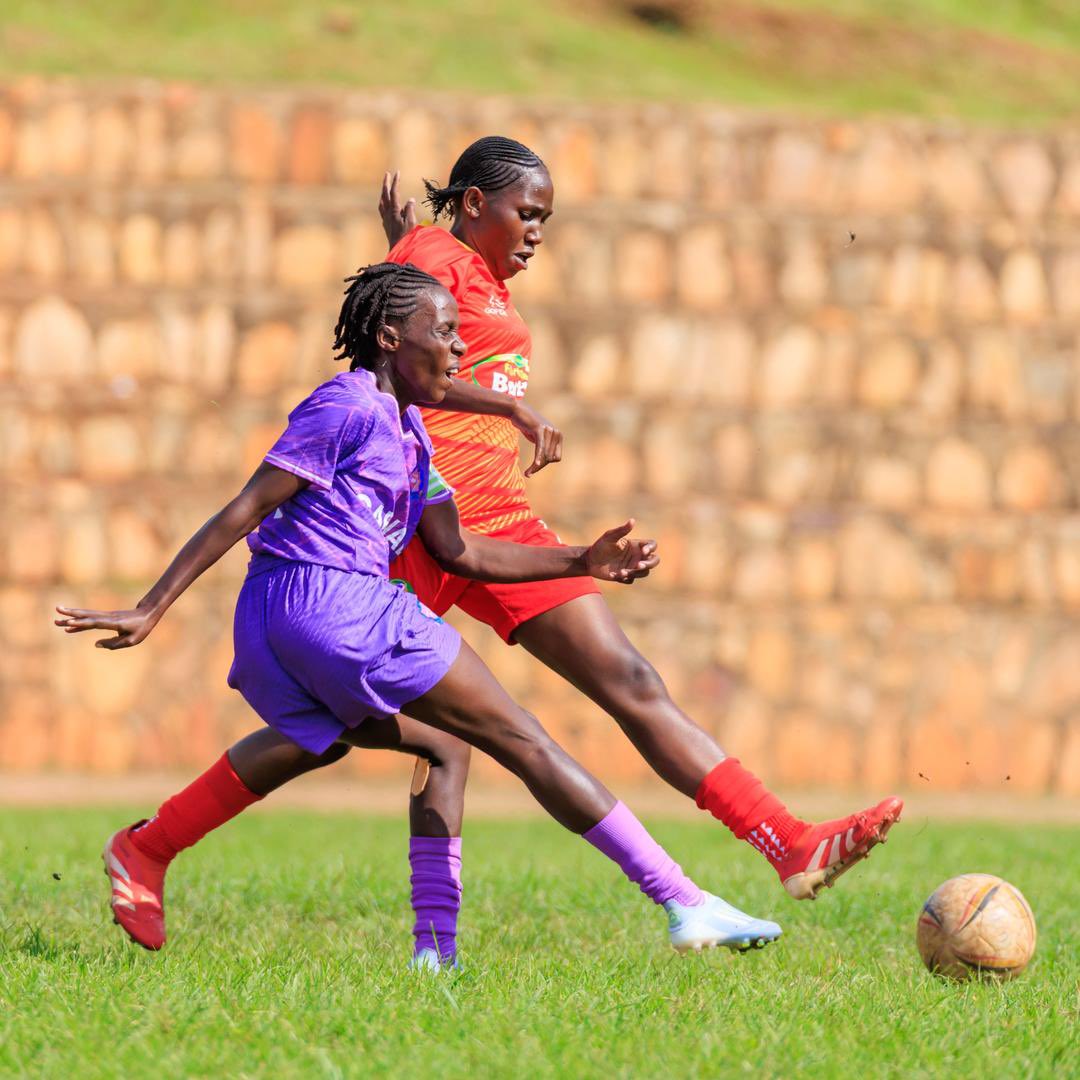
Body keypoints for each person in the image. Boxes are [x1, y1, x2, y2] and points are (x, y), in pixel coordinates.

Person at [84, 135, 901, 963]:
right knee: (341, 735)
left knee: (621, 682)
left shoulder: (464, 277)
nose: (537, 231)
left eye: (547, 218)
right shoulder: (438, 257)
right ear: (474, 203)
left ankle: (783, 841)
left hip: (486, 528)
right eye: (526, 212)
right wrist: (499, 392)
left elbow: (412, 333)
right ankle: (171, 851)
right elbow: (397, 344)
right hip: (411, 533)